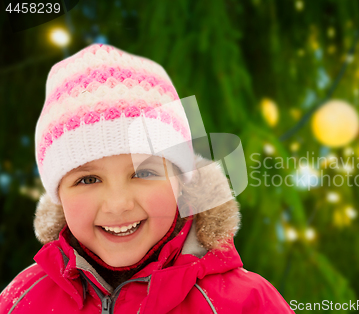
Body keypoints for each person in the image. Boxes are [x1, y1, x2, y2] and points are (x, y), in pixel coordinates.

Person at [0, 43, 294, 313]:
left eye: (143, 172)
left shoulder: (246, 303)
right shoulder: (23, 300)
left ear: (181, 182)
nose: (118, 204)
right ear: (59, 195)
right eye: (88, 180)